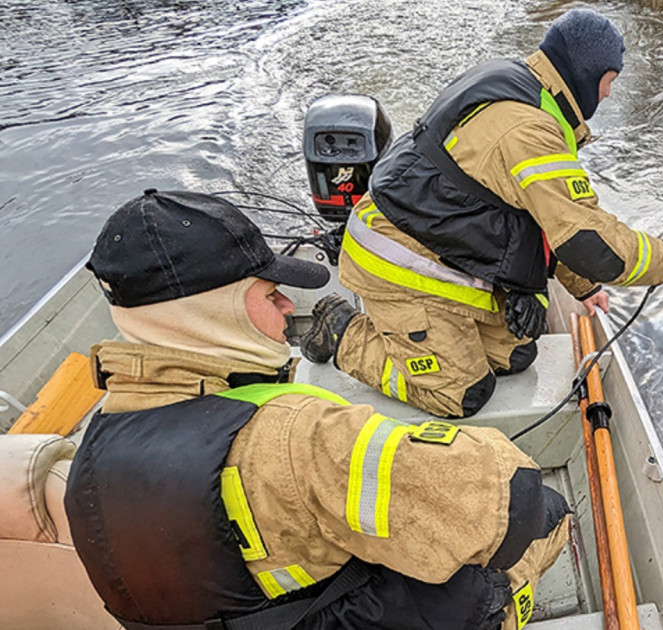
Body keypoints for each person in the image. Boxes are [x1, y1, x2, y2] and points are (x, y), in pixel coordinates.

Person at [65, 189, 570, 630]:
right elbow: (509, 503)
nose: (288, 306)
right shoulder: (299, 438)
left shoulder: (89, 459)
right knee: (546, 514)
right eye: (269, 294)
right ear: (217, 313)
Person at [300, 8, 663, 419]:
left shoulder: (523, 84)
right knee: (463, 394)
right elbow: (588, 241)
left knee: (517, 354)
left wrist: (582, 288)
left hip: (439, 249)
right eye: (609, 81)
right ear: (586, 74)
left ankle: (435, 340)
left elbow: (548, 219)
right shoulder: (530, 130)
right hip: (397, 261)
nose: (608, 95)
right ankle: (343, 332)